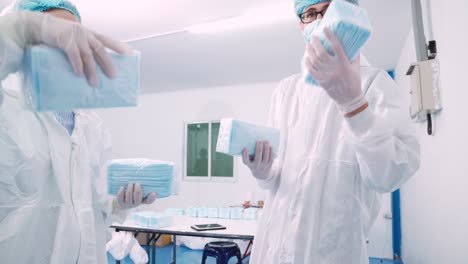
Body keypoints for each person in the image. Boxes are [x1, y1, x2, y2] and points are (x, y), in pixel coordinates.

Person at [241, 0, 420, 263]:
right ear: (300, 24)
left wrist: (354, 104)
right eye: (310, 14)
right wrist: (263, 171)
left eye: (326, 11)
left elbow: (390, 174)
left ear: (348, 15)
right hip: (272, 248)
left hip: (331, 251)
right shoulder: (285, 91)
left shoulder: (373, 83)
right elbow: (276, 180)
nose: (318, 20)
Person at [0, 1, 156, 263]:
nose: (70, 46)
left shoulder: (91, 124)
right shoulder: (7, 105)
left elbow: (91, 207)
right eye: (54, 34)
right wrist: (19, 29)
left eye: (74, 34)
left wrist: (117, 205)